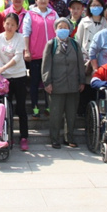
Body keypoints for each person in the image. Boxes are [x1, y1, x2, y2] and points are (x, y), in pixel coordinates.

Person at [42, 18, 86, 149]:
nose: (63, 29)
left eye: (65, 27)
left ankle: (69, 138)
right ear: (55, 29)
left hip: (73, 85)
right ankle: (55, 138)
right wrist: (47, 82)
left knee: (71, 114)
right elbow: (46, 65)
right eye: (60, 27)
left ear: (70, 29)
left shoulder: (75, 44)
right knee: (55, 114)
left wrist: (82, 81)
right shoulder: (51, 44)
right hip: (56, 85)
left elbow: (80, 63)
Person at [0, 13, 30, 151]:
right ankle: (8, 135)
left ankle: (24, 137)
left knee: (21, 108)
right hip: (4, 79)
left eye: (13, 24)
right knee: (6, 108)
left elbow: (17, 58)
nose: (9, 27)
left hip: (19, 76)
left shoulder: (20, 38)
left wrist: (2, 68)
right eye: (7, 24)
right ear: (3, 24)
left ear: (17, 26)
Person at [22, 0, 59, 118]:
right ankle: (35, 107)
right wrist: (27, 50)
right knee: (35, 82)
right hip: (36, 54)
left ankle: (49, 107)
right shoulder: (30, 14)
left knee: (49, 82)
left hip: (51, 54)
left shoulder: (54, 14)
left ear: (49, 0)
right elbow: (26, 33)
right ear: (36, 0)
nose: (43, 1)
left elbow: (58, 31)